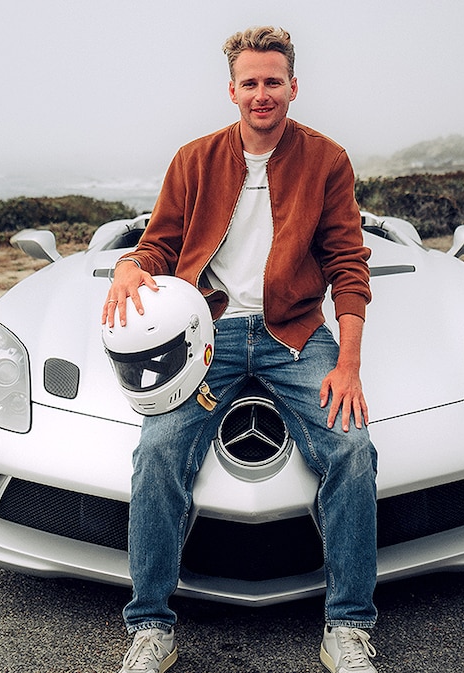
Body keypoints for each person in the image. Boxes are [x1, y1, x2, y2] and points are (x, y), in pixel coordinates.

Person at [102, 26, 380, 673]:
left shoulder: (327, 159)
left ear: (293, 86)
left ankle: (348, 626)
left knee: (351, 448)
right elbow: (159, 244)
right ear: (232, 90)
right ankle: (150, 627)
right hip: (209, 332)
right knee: (158, 450)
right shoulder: (194, 159)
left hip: (295, 333)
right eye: (249, 83)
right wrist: (128, 267)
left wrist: (348, 364)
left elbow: (348, 263)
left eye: (272, 82)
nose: (262, 94)